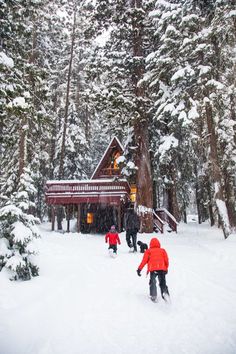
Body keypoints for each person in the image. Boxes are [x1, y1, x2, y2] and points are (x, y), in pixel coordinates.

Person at [136, 237, 170, 302]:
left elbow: (144, 261)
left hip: (153, 269)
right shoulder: (163, 250)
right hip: (162, 269)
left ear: (150, 244)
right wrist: (166, 268)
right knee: (162, 283)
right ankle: (165, 293)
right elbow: (166, 260)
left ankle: (153, 295)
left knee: (153, 282)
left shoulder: (148, 251)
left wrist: (139, 269)